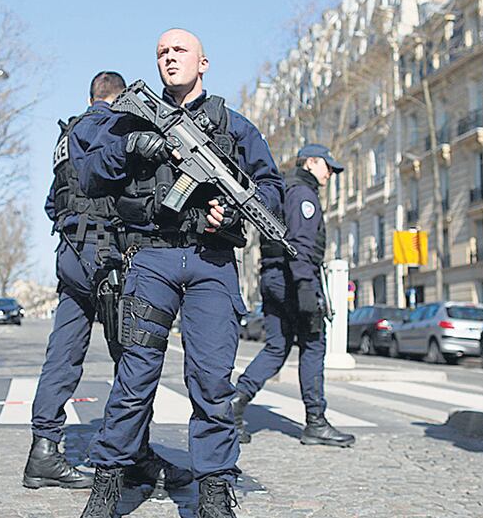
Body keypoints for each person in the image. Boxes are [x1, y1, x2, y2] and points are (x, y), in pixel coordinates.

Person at [74, 29, 283, 518]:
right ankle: (109, 482)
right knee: (134, 378)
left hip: (212, 264)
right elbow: (87, 176)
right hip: (150, 258)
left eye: (179, 51)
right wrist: (131, 148)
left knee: (212, 382)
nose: (170, 58)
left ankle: (213, 489)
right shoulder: (130, 119)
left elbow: (270, 188)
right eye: (162, 52)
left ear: (203, 62)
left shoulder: (234, 127)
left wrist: (232, 215)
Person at [24, 71, 192, 492]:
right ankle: (135, 455)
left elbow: (52, 203)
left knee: (63, 354)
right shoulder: (110, 126)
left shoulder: (66, 138)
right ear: (118, 100)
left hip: (70, 253)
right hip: (106, 255)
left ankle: (43, 451)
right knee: (133, 356)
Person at [230, 145, 354, 449]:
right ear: (311, 162)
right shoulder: (302, 194)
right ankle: (316, 423)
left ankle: (234, 404)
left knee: (276, 347)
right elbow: (299, 245)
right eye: (328, 166)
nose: (330, 173)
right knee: (313, 345)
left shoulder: (284, 188)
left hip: (274, 277)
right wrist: (306, 291)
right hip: (293, 279)